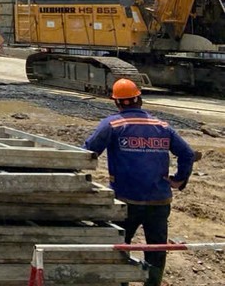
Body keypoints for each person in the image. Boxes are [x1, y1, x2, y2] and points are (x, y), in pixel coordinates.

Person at [83, 78, 196, 286]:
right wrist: (179, 180)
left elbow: (87, 153)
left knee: (119, 246)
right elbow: (187, 154)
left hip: (125, 202)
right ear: (140, 99)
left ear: (117, 103)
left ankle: (120, 282)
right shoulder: (162, 126)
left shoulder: (112, 125)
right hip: (159, 201)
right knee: (156, 251)